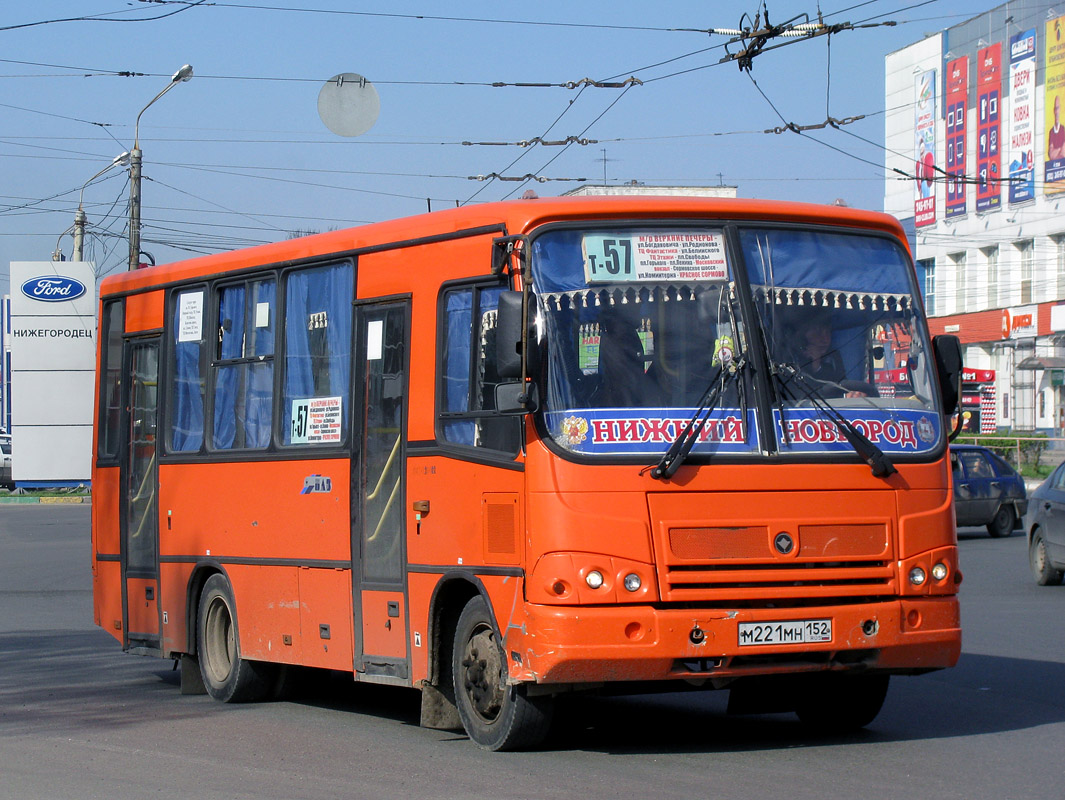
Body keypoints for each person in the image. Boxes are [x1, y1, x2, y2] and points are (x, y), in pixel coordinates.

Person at [1049, 95, 1065, 162]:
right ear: (1054, 111)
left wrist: (1055, 151)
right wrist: (1059, 149)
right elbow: (1051, 155)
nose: (1057, 111)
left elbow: (1063, 154)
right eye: (1055, 108)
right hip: (1053, 166)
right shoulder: (1051, 132)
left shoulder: (1063, 129)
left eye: (1058, 108)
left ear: (1060, 109)